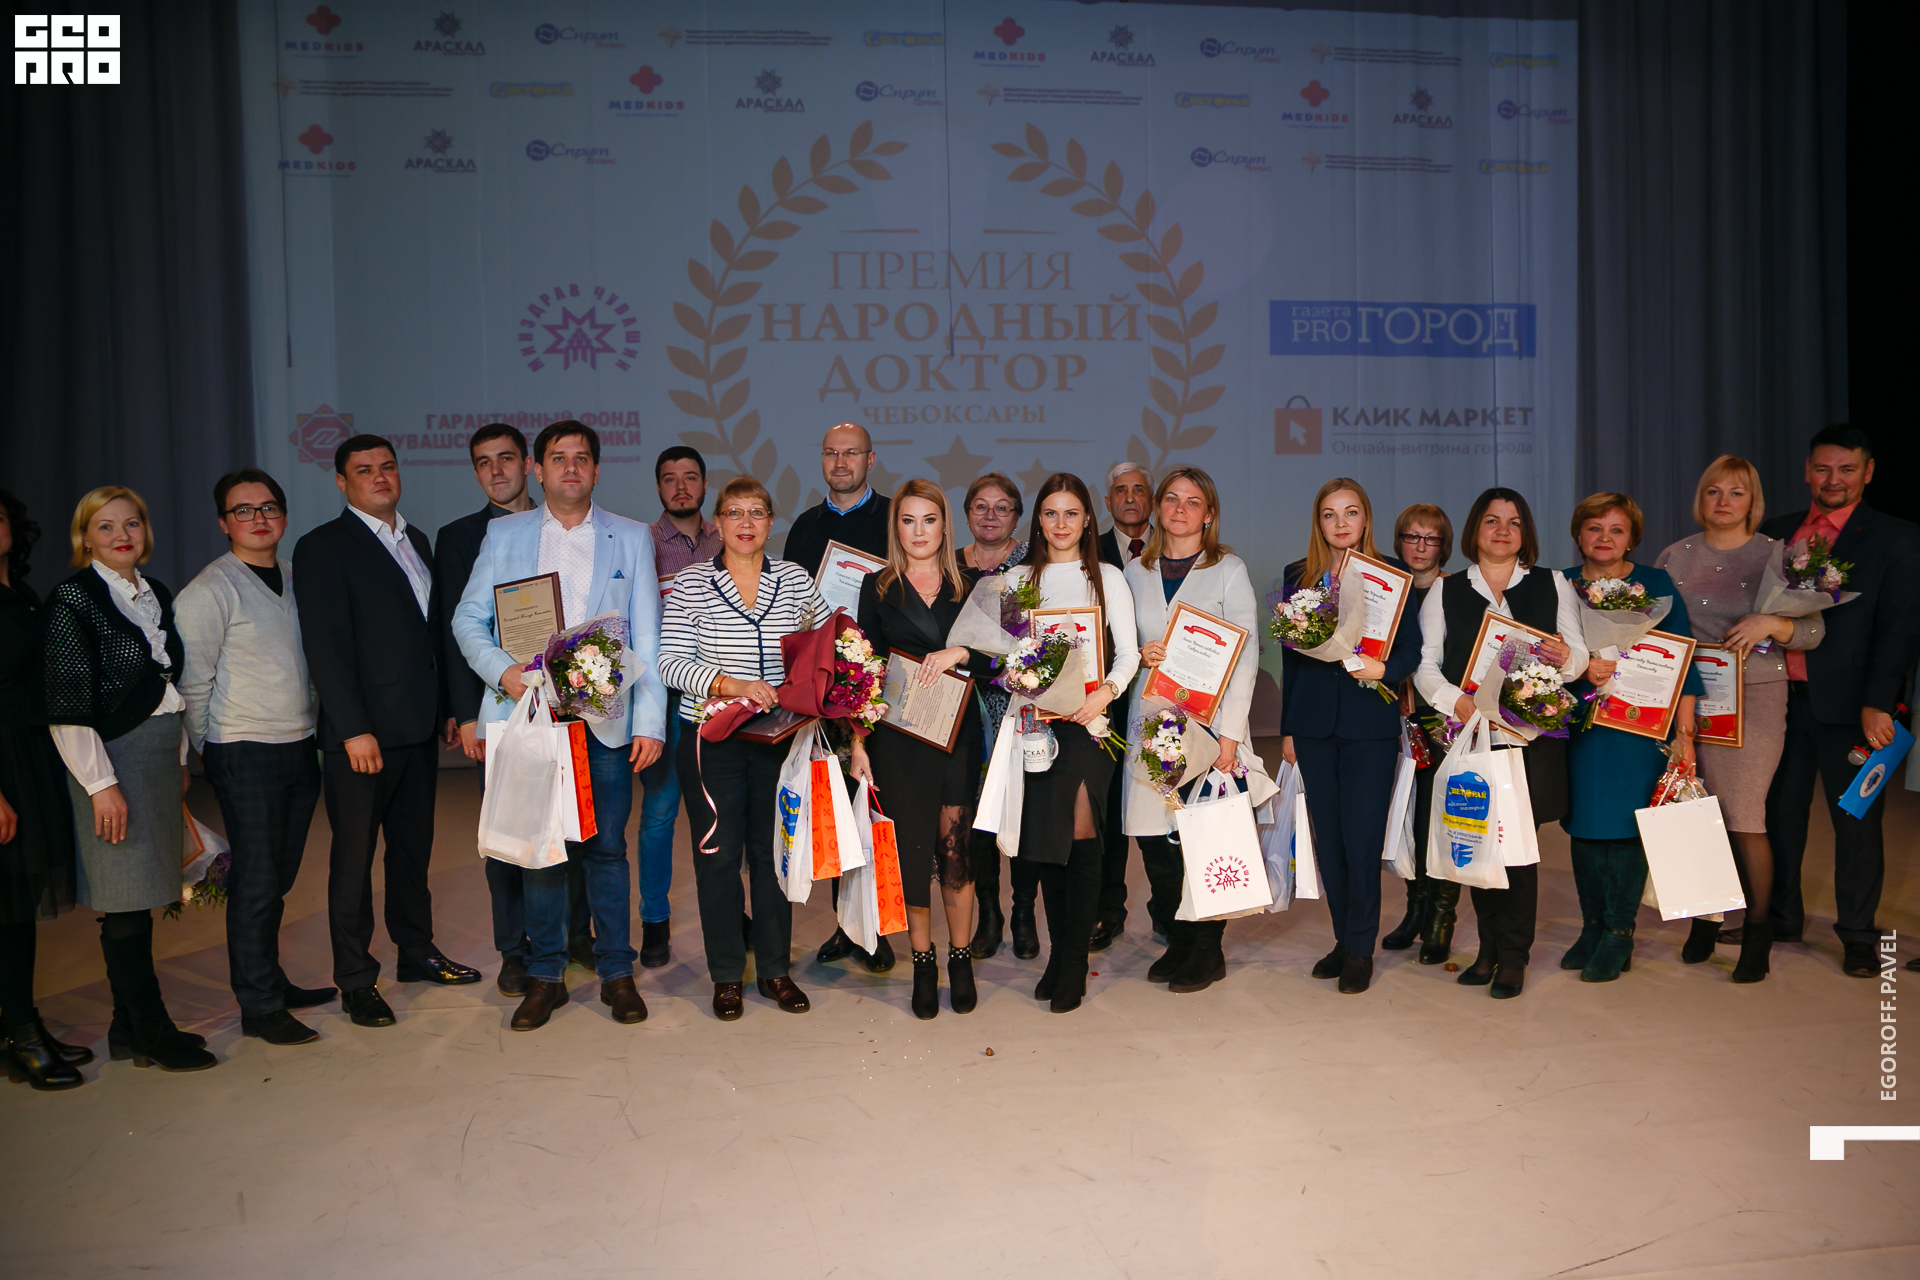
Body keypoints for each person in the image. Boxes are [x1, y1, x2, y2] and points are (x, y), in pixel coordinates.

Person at [454, 421, 667, 1031]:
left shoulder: (631, 537)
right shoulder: (505, 534)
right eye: (558, 458)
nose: (570, 467)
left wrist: (650, 722)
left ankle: (617, 973)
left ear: (596, 470)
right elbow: (468, 619)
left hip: (603, 721)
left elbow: (648, 636)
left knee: (607, 851)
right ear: (538, 469)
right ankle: (545, 976)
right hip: (530, 719)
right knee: (540, 852)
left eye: (581, 458)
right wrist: (504, 673)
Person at [293, 435, 480, 1029]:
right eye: (364, 470)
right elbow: (325, 647)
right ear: (341, 482)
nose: (379, 477)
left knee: (411, 852)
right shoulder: (322, 546)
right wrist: (352, 728)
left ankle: (416, 951)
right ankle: (355, 979)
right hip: (363, 737)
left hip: (417, 727)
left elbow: (427, 636)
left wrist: (446, 706)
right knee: (353, 862)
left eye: (388, 467)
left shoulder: (415, 539)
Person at [41, 487, 214, 1072]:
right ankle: (153, 1032)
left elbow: (168, 688)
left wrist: (179, 760)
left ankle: (126, 1029)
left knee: (141, 897)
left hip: (156, 759)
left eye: (132, 523)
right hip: (110, 762)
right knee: (124, 902)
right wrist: (100, 785)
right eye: (106, 526)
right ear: (85, 538)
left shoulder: (153, 592)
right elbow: (67, 703)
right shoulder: (74, 598)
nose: (122, 535)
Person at [174, 469, 333, 1046]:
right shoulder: (209, 590)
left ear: (284, 516)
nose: (258, 519)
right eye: (243, 510)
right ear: (224, 523)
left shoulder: (293, 576)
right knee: (257, 883)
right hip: (244, 750)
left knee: (278, 877)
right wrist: (211, 750)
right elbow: (193, 684)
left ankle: (271, 980)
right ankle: (259, 1006)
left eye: (268, 508)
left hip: (298, 744)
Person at [659, 477, 827, 1021]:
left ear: (771, 522)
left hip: (779, 739)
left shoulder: (795, 579)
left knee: (774, 856)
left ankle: (775, 972)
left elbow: (828, 645)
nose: (746, 523)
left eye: (757, 512)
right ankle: (727, 975)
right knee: (719, 857)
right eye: (735, 512)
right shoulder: (691, 584)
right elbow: (670, 663)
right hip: (713, 740)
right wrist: (731, 684)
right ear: (718, 522)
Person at [1757, 425, 1920, 977]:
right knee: (1779, 816)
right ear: (1807, 471)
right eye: (1823, 469)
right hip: (1778, 702)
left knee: (1857, 821)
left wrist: (1880, 701)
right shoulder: (1777, 532)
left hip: (1853, 709)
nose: (1834, 480)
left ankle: (1857, 934)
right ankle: (1782, 918)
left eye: (1847, 469)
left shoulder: (1896, 537)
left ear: (1867, 473)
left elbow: (1899, 628)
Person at [1653, 458, 1824, 982]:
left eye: (1736, 493)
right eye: (1713, 491)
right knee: (1695, 809)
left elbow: (1813, 632)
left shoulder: (1779, 556)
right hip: (1691, 699)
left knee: (1746, 816)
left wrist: (1771, 622)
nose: (1723, 502)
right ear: (1700, 498)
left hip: (1757, 699)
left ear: (1753, 502)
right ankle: (1705, 919)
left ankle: (1757, 929)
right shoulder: (1674, 555)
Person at [1413, 488, 1587, 1000]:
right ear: (1475, 530)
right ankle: (1487, 950)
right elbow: (1425, 664)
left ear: (1525, 532)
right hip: (1470, 735)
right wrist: (1457, 702)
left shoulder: (1553, 583)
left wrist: (1565, 659)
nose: (1503, 530)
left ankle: (1513, 957)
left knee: (1517, 849)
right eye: (1492, 520)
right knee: (1476, 839)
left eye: (1513, 522)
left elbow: (1578, 656)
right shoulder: (1445, 590)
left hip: (1530, 740)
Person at [435, 426, 578, 994]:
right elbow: (455, 629)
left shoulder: (563, 527)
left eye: (505, 459)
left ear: (530, 466)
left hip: (570, 708)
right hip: (500, 707)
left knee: (573, 828)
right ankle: (514, 950)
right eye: (483, 463)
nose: (495, 471)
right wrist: (467, 713)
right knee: (510, 833)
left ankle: (574, 936)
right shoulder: (461, 537)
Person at [1123, 467, 1274, 994]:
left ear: (1209, 514)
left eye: (1193, 502)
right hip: (1150, 721)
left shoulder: (1227, 568)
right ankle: (1180, 940)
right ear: (1158, 507)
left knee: (1205, 839)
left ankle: (1208, 950)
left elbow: (1246, 653)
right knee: (1154, 841)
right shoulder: (1135, 571)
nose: (1180, 509)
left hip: (1211, 728)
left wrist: (1230, 735)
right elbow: (1122, 645)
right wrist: (1139, 653)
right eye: (1171, 499)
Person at [995, 473, 1140, 1013]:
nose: (1061, 524)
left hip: (1088, 724)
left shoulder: (1107, 577)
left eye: (1071, 513)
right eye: (1051, 513)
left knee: (1080, 838)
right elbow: (1005, 655)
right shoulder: (1018, 580)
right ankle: (1058, 957)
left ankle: (1074, 962)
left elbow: (1129, 654)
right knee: (1046, 846)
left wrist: (1104, 694)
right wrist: (1023, 681)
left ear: (1087, 520)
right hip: (1036, 725)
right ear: (1038, 520)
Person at [1279, 479, 1424, 995]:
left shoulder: (1394, 575)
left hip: (1368, 726)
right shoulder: (1298, 576)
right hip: (1313, 726)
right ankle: (1343, 939)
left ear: (1366, 519)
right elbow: (1291, 659)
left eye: (1351, 512)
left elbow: (1411, 650)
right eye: (1329, 514)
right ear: (1318, 522)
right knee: (1330, 841)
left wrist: (1386, 669)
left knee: (1361, 841)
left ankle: (1361, 948)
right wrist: (1288, 727)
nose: (1341, 523)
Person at [848, 480, 984, 1019]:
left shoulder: (971, 585)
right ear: (896, 527)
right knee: (910, 855)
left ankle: (960, 958)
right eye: (908, 520)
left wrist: (962, 651)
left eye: (929, 520)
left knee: (956, 854)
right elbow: (863, 669)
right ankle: (923, 962)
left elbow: (1002, 659)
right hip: (898, 740)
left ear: (945, 526)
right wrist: (859, 742)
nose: (919, 531)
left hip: (956, 737)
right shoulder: (877, 586)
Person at [1559, 494, 1705, 983]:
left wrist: (1684, 735)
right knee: (1583, 824)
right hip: (1581, 725)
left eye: (1616, 530)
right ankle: (1592, 927)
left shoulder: (1656, 585)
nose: (1604, 538)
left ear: (1632, 538)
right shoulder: (1562, 584)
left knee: (1628, 826)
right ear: (1579, 534)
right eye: (1594, 527)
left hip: (1641, 730)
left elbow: (1684, 662)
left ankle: (1619, 934)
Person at [788, 421, 895, 974]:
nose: (840, 462)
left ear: (870, 459)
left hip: (887, 684)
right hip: (829, 688)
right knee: (834, 806)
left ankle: (881, 928)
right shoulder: (805, 527)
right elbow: (795, 610)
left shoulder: (896, 519)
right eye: (831, 453)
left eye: (851, 453)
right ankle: (846, 925)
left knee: (880, 807)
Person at [0, 490, 89, 1089]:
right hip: (1, 763)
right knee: (6, 903)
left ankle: (20, 1021)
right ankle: (21, 1034)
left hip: (28, 754)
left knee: (18, 903)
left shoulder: (23, 595)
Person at [636, 446, 722, 970]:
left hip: (723, 695)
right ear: (659, 488)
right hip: (666, 698)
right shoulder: (641, 543)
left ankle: (732, 914)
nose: (681, 487)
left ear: (705, 485)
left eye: (690, 477)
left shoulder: (728, 536)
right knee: (660, 814)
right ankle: (654, 921)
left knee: (723, 809)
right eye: (670, 479)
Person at [957, 473, 1034, 959]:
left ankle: (1024, 912)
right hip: (964, 705)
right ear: (967, 513)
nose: (990, 515)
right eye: (980, 506)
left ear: (1017, 516)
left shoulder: (1033, 565)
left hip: (1018, 701)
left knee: (1020, 809)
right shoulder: (949, 564)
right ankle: (990, 914)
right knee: (976, 815)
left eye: (1002, 507)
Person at [1380, 503, 1458, 965]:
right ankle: (1415, 909)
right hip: (1392, 720)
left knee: (1438, 819)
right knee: (1407, 819)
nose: (1420, 547)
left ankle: (1440, 918)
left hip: (1441, 721)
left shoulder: (1455, 591)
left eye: (1430, 539)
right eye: (1412, 537)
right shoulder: (1388, 588)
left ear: (1443, 546)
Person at [1091, 461, 1153, 952]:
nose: (1130, 497)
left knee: (1160, 808)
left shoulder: (1180, 547)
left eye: (1139, 489)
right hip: (1104, 704)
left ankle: (1169, 911)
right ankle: (1108, 911)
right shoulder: (1087, 554)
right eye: (1120, 491)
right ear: (1107, 502)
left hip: (1160, 702)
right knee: (1108, 815)